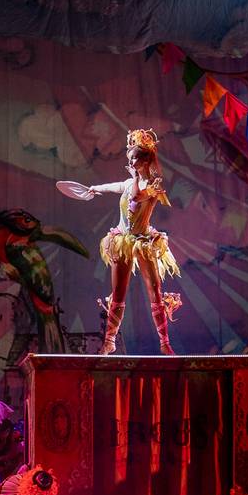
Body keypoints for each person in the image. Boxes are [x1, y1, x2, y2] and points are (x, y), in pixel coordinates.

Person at [77, 128, 182, 355]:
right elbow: (114, 187)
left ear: (145, 161)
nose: (131, 162)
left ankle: (164, 343)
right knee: (118, 292)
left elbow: (137, 196)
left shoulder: (153, 186)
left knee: (155, 291)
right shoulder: (128, 183)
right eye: (130, 158)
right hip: (123, 241)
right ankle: (109, 341)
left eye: (135, 158)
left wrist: (134, 178)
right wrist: (94, 189)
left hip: (143, 241)